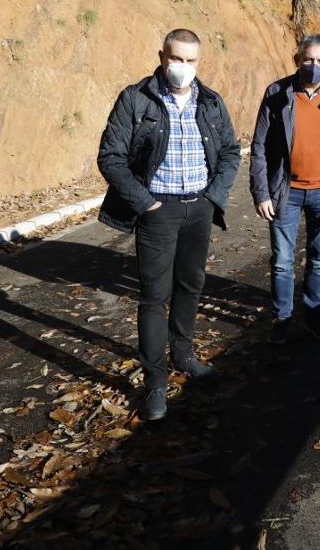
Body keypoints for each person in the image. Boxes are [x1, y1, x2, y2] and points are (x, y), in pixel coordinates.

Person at [97, 29, 241, 420]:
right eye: (176, 59)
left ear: (199, 62)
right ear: (162, 56)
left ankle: (184, 356)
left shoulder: (210, 102)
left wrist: (213, 198)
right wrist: (147, 205)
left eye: (190, 60)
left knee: (190, 286)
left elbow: (230, 151)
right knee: (153, 297)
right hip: (158, 212)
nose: (182, 68)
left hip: (199, 209)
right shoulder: (136, 99)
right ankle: (155, 382)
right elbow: (111, 157)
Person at [250, 34, 320, 344]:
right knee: (283, 260)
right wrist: (261, 192)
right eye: (308, 60)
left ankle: (314, 315)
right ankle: (282, 317)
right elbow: (259, 146)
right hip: (285, 192)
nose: (314, 66)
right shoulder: (277, 93)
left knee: (319, 259)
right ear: (297, 59)